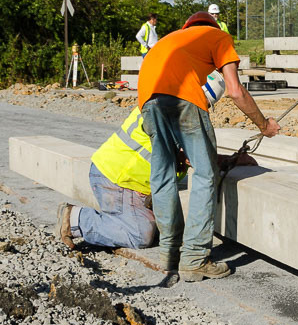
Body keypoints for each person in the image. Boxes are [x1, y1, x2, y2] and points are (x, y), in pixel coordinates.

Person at [139, 11, 280, 281]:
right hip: (183, 98)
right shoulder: (217, 36)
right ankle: (194, 258)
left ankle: (169, 254)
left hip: (147, 100)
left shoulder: (172, 39)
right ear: (211, 26)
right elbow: (235, 90)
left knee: (162, 177)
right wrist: (264, 125)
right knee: (205, 176)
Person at [56, 74, 226, 252]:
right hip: (117, 181)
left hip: (118, 178)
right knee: (140, 233)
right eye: (204, 105)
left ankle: (117, 216)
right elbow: (194, 156)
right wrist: (224, 161)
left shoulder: (164, 102)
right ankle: (76, 219)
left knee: (164, 230)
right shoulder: (172, 113)